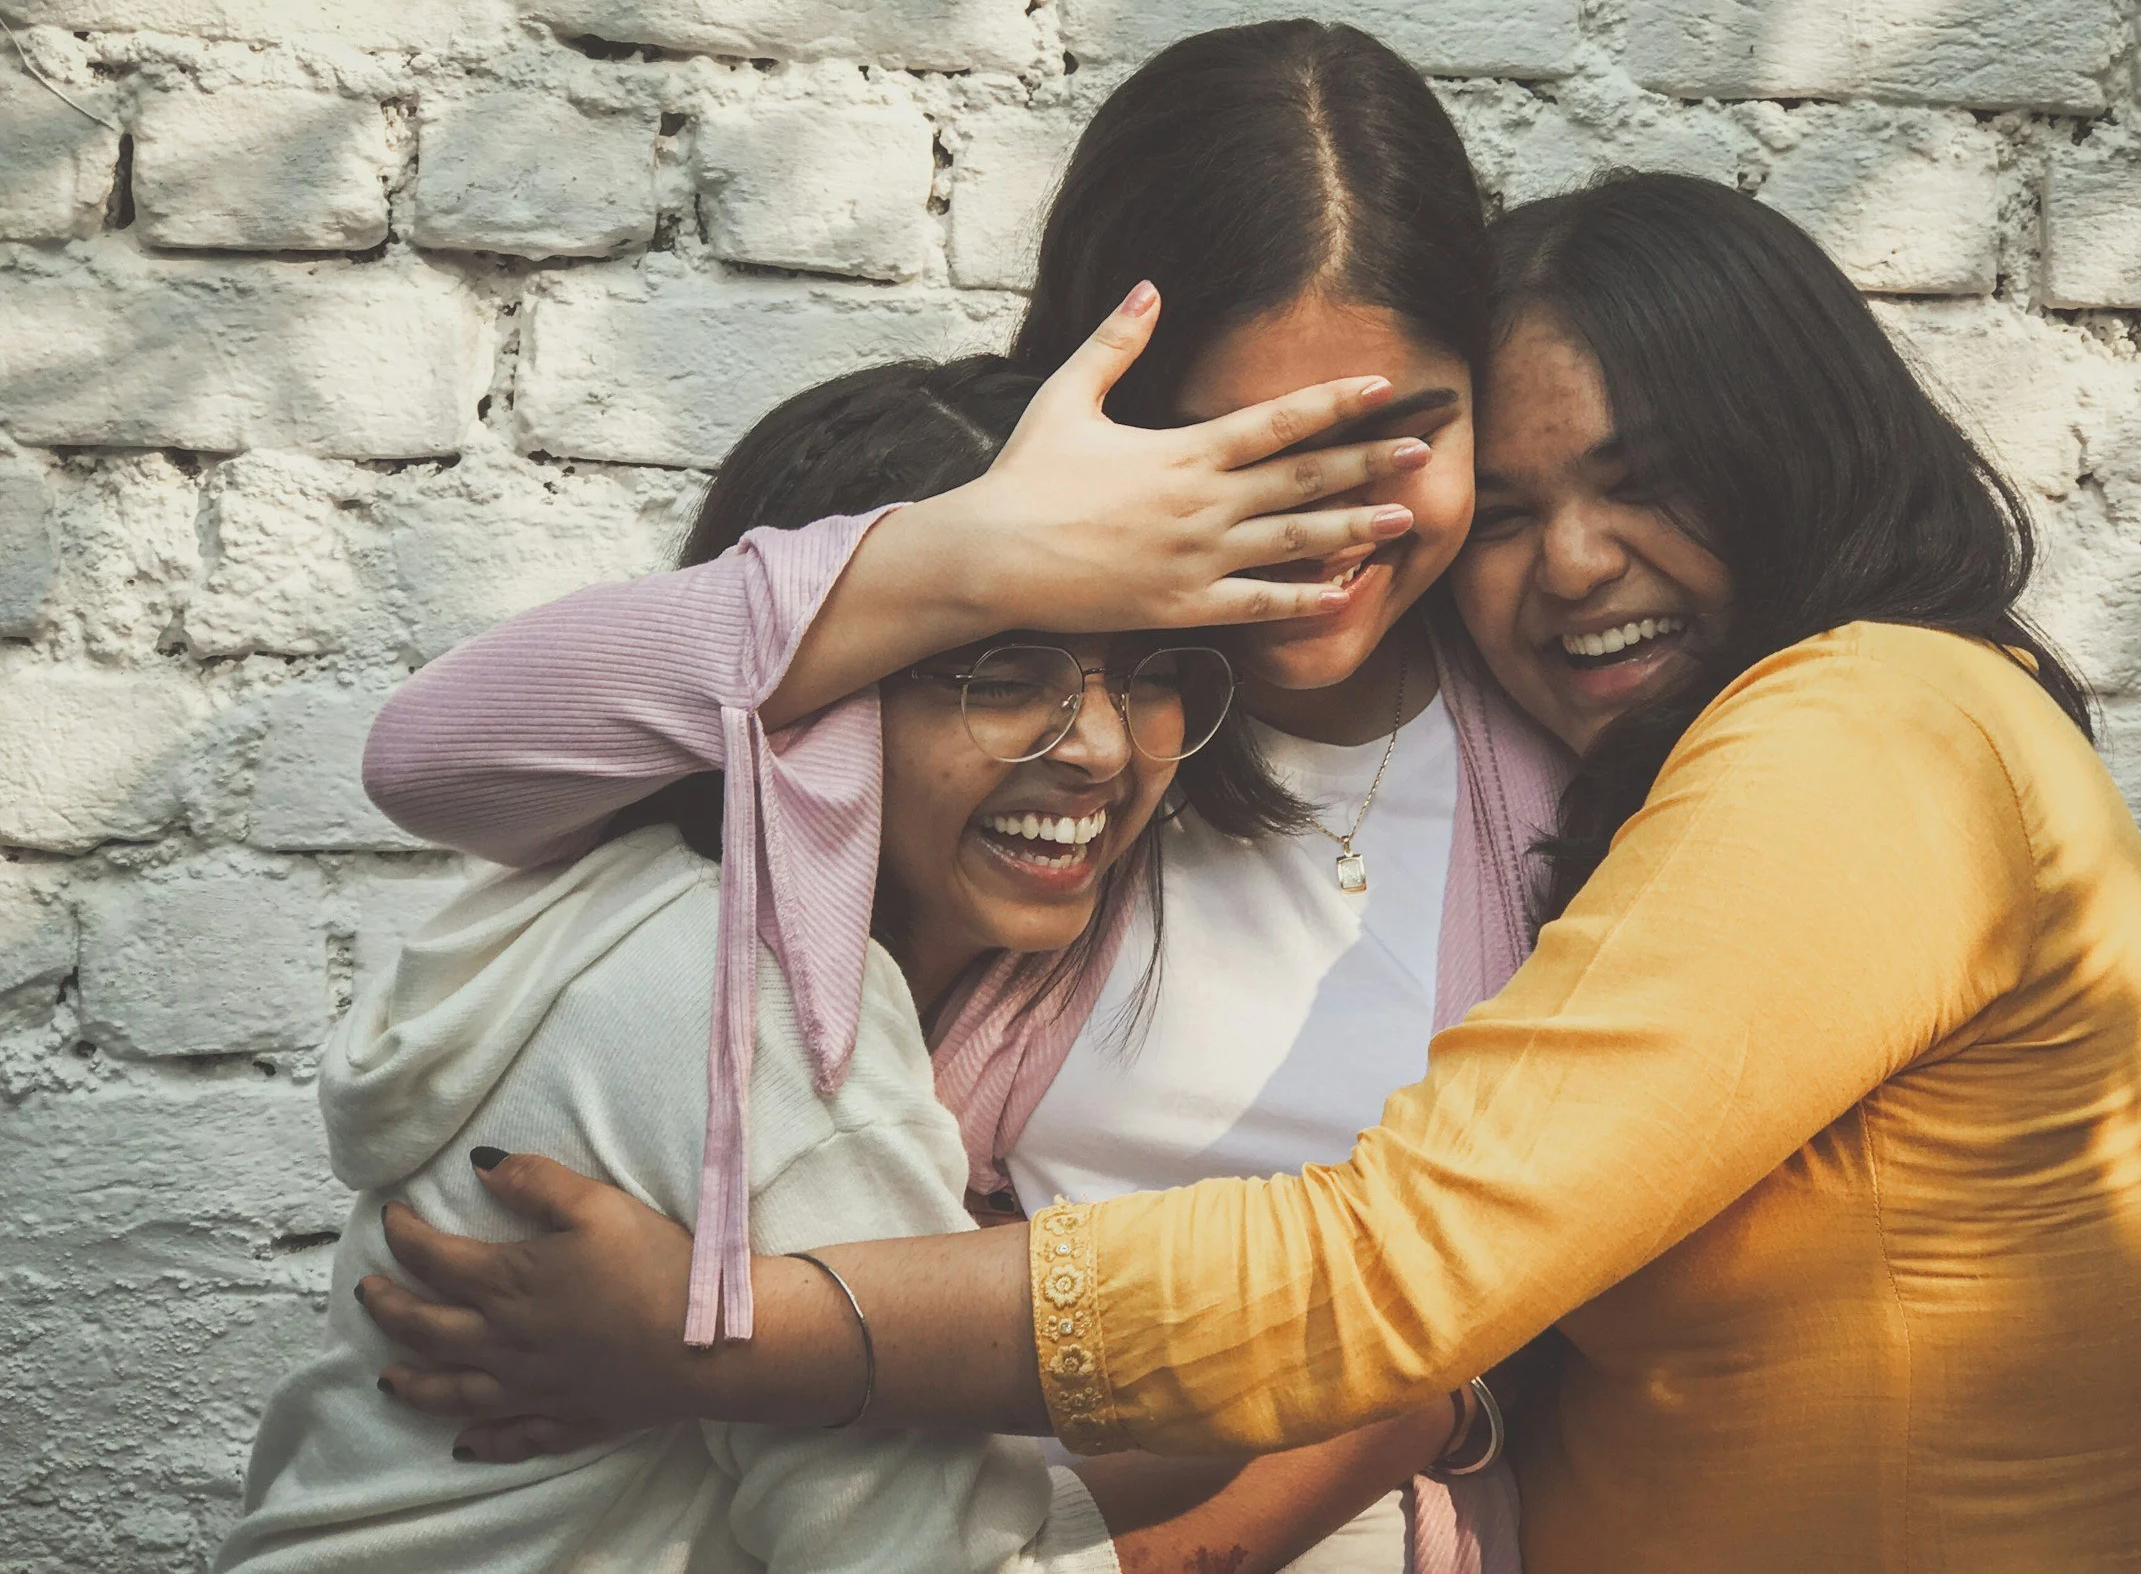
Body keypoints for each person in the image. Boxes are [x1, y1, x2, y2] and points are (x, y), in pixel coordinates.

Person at [360, 174, 2141, 1573]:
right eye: (1509, 510)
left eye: (1649, 483)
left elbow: (1401, 1269)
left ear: (1800, 459)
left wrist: (752, 1333)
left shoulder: (1868, 733)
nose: (1572, 564)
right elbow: (443, 753)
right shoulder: (1154, 769)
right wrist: (975, 558)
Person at [351, 21, 1571, 1574]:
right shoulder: (975, 750)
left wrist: (1415, 1411)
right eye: (1247, 448)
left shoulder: (1551, 773)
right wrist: (976, 551)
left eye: (1403, 432)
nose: (1335, 515)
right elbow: (438, 758)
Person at [218, 355, 1468, 1574]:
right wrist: (1397, 1409)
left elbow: (930, 1483)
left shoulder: (613, 906)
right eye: (995, 671)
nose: (1095, 746)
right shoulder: (766, 1012)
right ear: (810, 696)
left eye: (1147, 674)